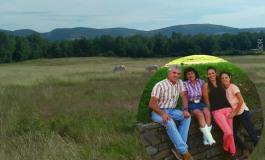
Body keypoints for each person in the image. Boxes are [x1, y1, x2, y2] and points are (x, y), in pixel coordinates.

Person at [149, 64, 193, 160]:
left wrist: (185, 110)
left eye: (178, 74)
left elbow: (184, 97)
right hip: (158, 111)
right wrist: (163, 114)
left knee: (187, 117)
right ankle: (184, 152)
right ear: (168, 73)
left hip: (172, 110)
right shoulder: (159, 85)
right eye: (174, 73)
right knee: (169, 121)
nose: (176, 75)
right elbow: (152, 104)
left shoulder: (180, 83)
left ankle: (178, 149)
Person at [220, 71, 259, 160]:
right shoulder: (224, 90)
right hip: (235, 115)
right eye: (222, 78)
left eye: (226, 77)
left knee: (250, 131)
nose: (224, 79)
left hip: (242, 112)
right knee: (232, 133)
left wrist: (234, 112)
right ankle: (245, 150)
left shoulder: (233, 87)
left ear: (230, 78)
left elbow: (241, 100)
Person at [202, 66, 237, 159]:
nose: (211, 75)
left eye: (213, 73)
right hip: (217, 111)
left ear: (216, 73)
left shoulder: (221, 82)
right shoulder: (206, 85)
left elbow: (230, 91)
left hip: (228, 109)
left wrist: (235, 105)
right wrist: (210, 111)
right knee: (228, 132)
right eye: (209, 74)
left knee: (231, 133)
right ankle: (226, 149)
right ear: (207, 75)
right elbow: (206, 100)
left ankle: (233, 153)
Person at [183, 67, 216, 145]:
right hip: (190, 103)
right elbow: (184, 98)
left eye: (192, 73)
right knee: (199, 114)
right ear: (186, 76)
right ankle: (210, 139)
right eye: (188, 74)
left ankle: (205, 139)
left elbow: (205, 95)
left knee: (207, 113)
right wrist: (186, 109)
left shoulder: (201, 82)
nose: (191, 75)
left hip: (200, 102)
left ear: (195, 74)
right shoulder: (184, 84)